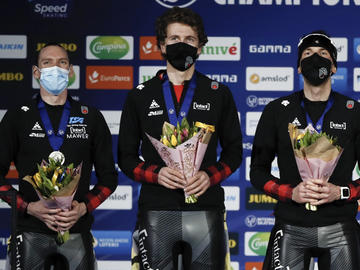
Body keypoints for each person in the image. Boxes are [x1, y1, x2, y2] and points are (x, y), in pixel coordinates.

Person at [118, 6, 242, 270]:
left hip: (206, 208)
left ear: (200, 47)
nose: (181, 45)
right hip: (156, 208)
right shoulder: (140, 95)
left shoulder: (218, 93)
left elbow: (234, 152)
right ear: (162, 46)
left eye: (189, 40)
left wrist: (210, 177)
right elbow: (125, 157)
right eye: (174, 39)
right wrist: (156, 174)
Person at [0, 43, 118, 270]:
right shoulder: (17, 117)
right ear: (36, 72)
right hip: (30, 232)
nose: (56, 68)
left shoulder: (91, 117)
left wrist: (82, 208)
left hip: (77, 232)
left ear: (70, 71)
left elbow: (109, 179)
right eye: (47, 63)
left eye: (62, 63)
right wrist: (28, 207)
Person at [250, 30, 360, 270]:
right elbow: (257, 172)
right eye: (308, 54)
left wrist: (339, 192)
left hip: (340, 226)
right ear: (299, 67)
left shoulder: (354, 111)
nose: (315, 58)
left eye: (323, 54)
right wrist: (291, 193)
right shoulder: (276, 111)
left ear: (333, 67)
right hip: (290, 225)